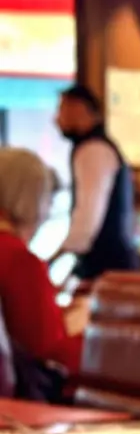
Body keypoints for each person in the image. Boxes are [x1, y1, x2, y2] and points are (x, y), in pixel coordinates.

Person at [0, 148, 83, 385]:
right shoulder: (19, 260)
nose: (46, 213)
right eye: (47, 198)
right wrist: (96, 337)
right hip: (27, 403)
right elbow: (50, 353)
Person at [50, 84, 140, 280]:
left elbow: (88, 211)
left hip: (106, 268)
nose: (56, 120)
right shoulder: (95, 147)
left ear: (79, 109)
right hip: (111, 264)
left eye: (61, 110)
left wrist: (57, 256)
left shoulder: (93, 150)